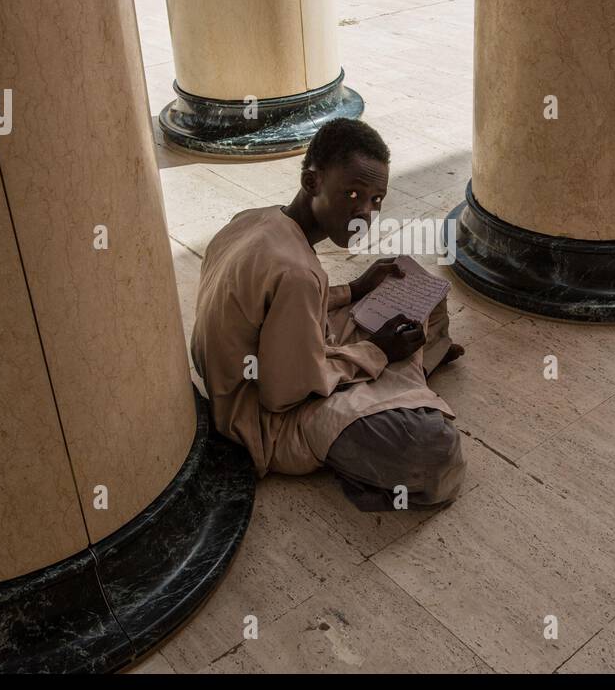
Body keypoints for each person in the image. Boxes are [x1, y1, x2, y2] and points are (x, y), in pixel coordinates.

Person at [191, 118, 466, 510]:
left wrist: (355, 289)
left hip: (269, 364)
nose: (364, 213)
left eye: (375, 200)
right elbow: (285, 395)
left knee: (410, 288)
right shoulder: (300, 274)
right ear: (312, 182)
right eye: (352, 193)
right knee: (432, 446)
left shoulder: (255, 218)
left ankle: (402, 375)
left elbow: (280, 309)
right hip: (260, 418)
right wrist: (377, 351)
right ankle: (401, 376)